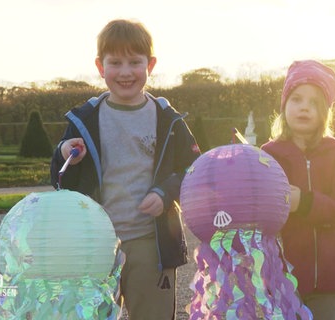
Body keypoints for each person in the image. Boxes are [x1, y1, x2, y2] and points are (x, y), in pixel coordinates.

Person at [49, 19, 201, 319]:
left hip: (151, 243)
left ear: (151, 64)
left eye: (135, 61)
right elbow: (59, 179)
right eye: (115, 62)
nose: (125, 72)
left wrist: (165, 191)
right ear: (100, 66)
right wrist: (63, 153)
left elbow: (195, 170)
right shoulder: (85, 118)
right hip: (95, 244)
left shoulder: (167, 119)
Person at [261, 60, 335, 320]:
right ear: (284, 107)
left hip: (328, 279)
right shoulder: (267, 156)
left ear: (325, 113)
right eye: (296, 99)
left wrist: (303, 203)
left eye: (314, 102)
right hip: (279, 277)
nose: (304, 106)